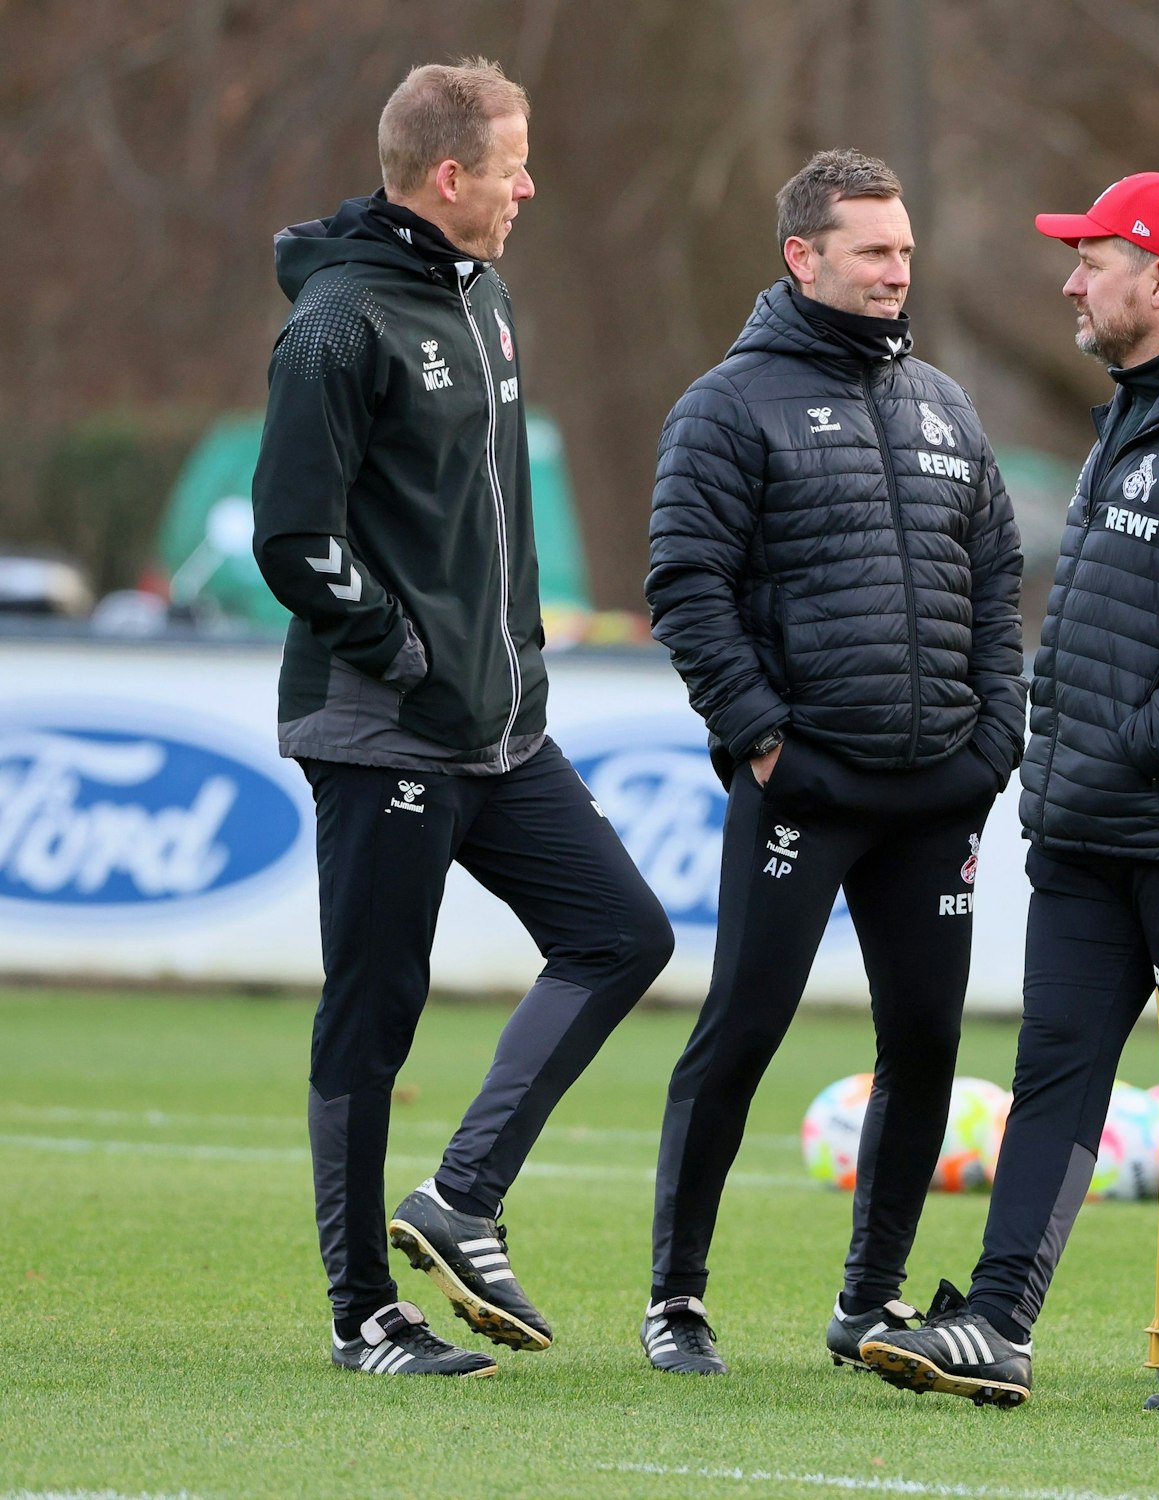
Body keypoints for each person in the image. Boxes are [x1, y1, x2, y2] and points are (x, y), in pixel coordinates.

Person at [857, 172, 1159, 1414]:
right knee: (1054, 1071)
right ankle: (999, 1323)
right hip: (1093, 825)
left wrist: (1132, 743)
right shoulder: (1146, 405)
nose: (1070, 281)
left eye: (1092, 259)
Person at [251, 59, 674, 1379]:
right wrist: (410, 654)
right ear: (450, 177)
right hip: (382, 733)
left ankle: (463, 1195)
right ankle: (360, 1311)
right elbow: (290, 538)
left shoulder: (482, 296)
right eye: (513, 162)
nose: (528, 185)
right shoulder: (335, 326)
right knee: (374, 1012)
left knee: (621, 934)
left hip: (502, 729)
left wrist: (510, 669)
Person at [642, 149, 1025, 1377]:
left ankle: (869, 1302)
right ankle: (675, 1301)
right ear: (802, 257)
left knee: (925, 1042)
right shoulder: (724, 404)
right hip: (805, 785)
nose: (895, 271)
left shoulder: (947, 403)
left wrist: (995, 737)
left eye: (905, 250)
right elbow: (685, 589)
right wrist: (759, 736)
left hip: (937, 794)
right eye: (872, 251)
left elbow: (997, 581)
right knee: (742, 1030)